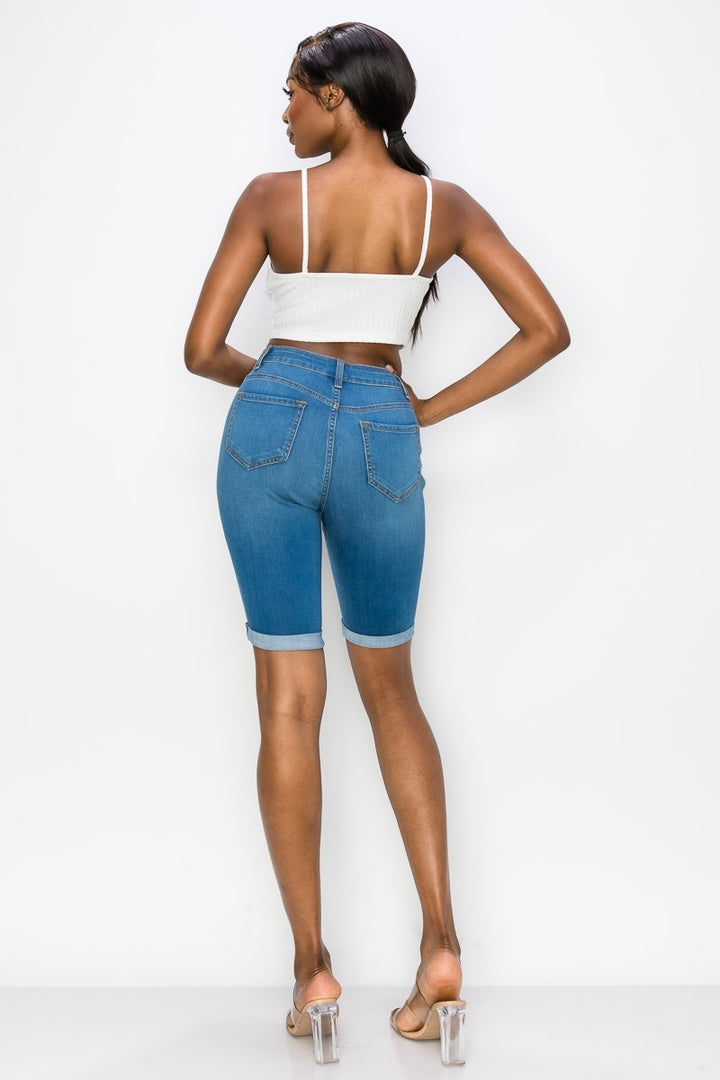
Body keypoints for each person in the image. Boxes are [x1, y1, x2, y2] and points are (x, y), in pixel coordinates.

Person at [184, 21, 570, 1067]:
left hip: (268, 427)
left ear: (338, 97)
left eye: (293, 92)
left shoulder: (273, 199)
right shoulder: (445, 209)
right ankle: (442, 948)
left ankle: (312, 968)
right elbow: (546, 328)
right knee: (392, 689)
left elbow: (202, 349)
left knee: (288, 696)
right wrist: (418, 408)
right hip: (382, 437)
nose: (283, 113)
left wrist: (280, 384)